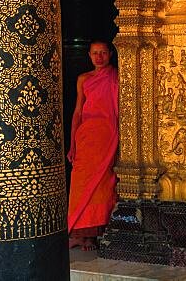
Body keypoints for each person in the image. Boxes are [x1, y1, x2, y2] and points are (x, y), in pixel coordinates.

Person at [67, 40, 120, 251]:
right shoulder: (83, 79)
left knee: (103, 184)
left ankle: (93, 234)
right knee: (80, 183)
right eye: (95, 53)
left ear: (110, 54)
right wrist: (72, 142)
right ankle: (78, 233)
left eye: (103, 53)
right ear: (89, 55)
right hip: (86, 136)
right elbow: (78, 111)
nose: (99, 57)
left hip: (106, 135)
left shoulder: (116, 77)